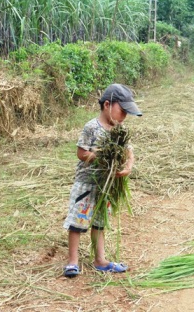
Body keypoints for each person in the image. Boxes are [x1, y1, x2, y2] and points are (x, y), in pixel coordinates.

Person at [62, 83, 142, 278]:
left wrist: (128, 165)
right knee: (78, 221)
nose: (124, 117)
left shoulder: (119, 129)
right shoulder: (91, 127)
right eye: (122, 111)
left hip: (107, 185)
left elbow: (128, 150)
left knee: (100, 221)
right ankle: (72, 261)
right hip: (87, 183)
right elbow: (81, 153)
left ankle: (100, 259)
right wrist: (101, 156)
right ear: (107, 105)